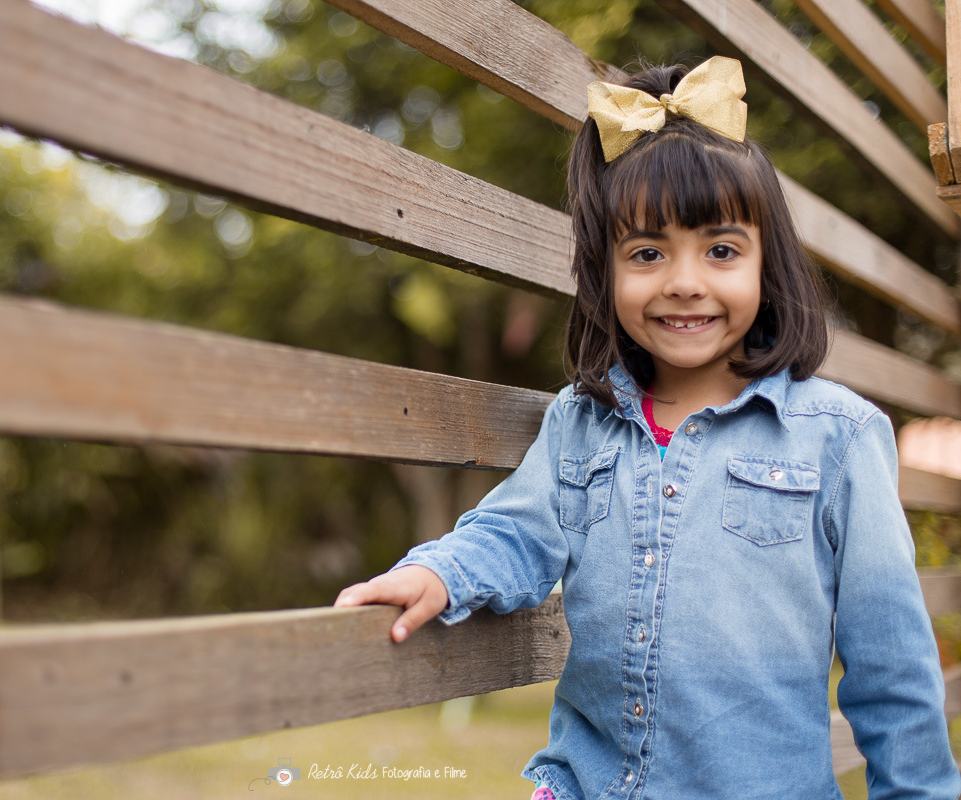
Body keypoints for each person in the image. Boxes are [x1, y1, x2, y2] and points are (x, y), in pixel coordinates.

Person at [334, 57, 960, 799]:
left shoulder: (839, 437)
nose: (685, 281)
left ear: (769, 265)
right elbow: (514, 533)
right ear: (606, 272)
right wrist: (438, 571)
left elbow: (891, 666)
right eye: (647, 253)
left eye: (721, 250)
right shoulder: (580, 424)